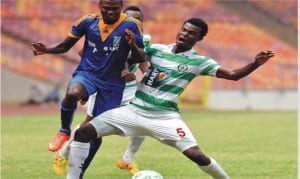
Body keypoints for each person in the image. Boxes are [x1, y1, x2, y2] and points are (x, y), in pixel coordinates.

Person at [66, 18, 274, 178]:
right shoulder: (157, 49)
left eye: (192, 33)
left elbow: (233, 75)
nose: (185, 34)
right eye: (184, 29)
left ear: (199, 39)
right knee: (83, 132)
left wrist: (255, 63)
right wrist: (125, 66)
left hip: (164, 118)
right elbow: (131, 59)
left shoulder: (199, 62)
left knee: (196, 155)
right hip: (133, 110)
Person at [31, 0, 144, 153]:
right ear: (99, 7)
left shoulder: (132, 25)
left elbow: (140, 57)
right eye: (106, 8)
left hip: (112, 82)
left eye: (115, 9)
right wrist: (47, 50)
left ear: (121, 8)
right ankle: (64, 130)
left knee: (94, 128)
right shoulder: (87, 21)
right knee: (72, 93)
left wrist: (132, 45)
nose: (110, 12)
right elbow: (65, 46)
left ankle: (77, 165)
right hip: (88, 73)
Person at [52, 5, 149, 177]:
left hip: (130, 91)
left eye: (139, 19)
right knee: (90, 129)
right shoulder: (109, 29)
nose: (136, 21)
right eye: (132, 17)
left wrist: (148, 80)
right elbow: (84, 51)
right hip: (105, 84)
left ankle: (127, 158)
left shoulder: (142, 36)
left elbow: (141, 61)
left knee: (144, 123)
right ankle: (65, 152)